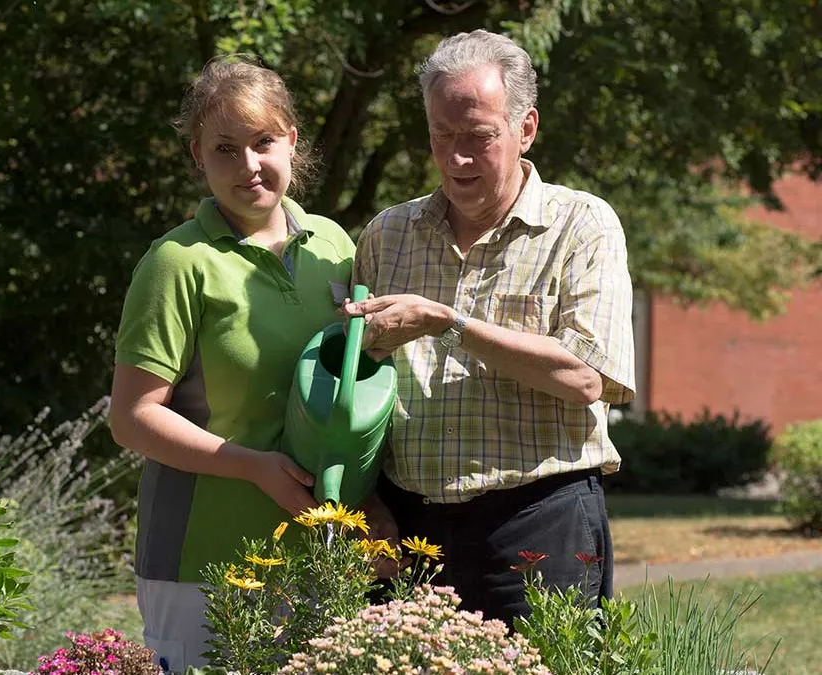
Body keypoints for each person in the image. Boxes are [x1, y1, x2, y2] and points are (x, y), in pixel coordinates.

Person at [343, 29, 636, 625]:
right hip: (407, 528)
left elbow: (587, 376)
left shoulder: (582, 225)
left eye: (478, 138)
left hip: (539, 521)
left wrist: (447, 324)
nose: (456, 159)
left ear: (525, 128)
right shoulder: (387, 235)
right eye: (441, 137)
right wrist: (364, 501)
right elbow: (351, 384)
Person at [109, 55, 356, 672]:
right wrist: (252, 468)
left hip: (321, 554)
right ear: (198, 154)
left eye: (263, 142)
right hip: (203, 561)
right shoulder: (176, 263)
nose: (248, 166)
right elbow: (132, 419)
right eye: (225, 148)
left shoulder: (337, 246)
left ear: (292, 141)